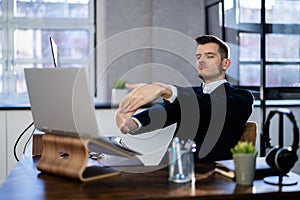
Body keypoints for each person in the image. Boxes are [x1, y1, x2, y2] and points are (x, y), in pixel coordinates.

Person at [116, 35, 254, 163]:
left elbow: (210, 105)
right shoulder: (187, 94)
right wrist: (132, 123)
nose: (201, 61)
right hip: (171, 172)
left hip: (213, 178)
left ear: (225, 64)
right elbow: (164, 112)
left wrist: (165, 90)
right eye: (198, 56)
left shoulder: (242, 97)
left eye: (209, 56)